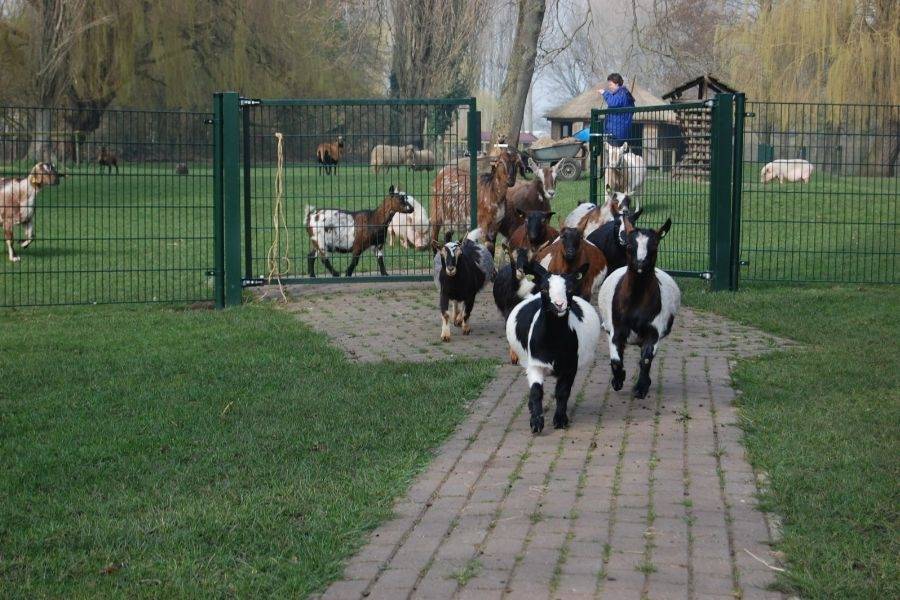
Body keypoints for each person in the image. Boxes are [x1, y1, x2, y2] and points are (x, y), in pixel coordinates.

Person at [600, 73, 635, 147]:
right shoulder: (624, 93)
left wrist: (604, 93)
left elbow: (613, 103)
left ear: (617, 84)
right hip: (620, 132)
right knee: (620, 156)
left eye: (611, 84)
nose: (609, 87)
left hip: (616, 133)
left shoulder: (621, 94)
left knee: (614, 156)